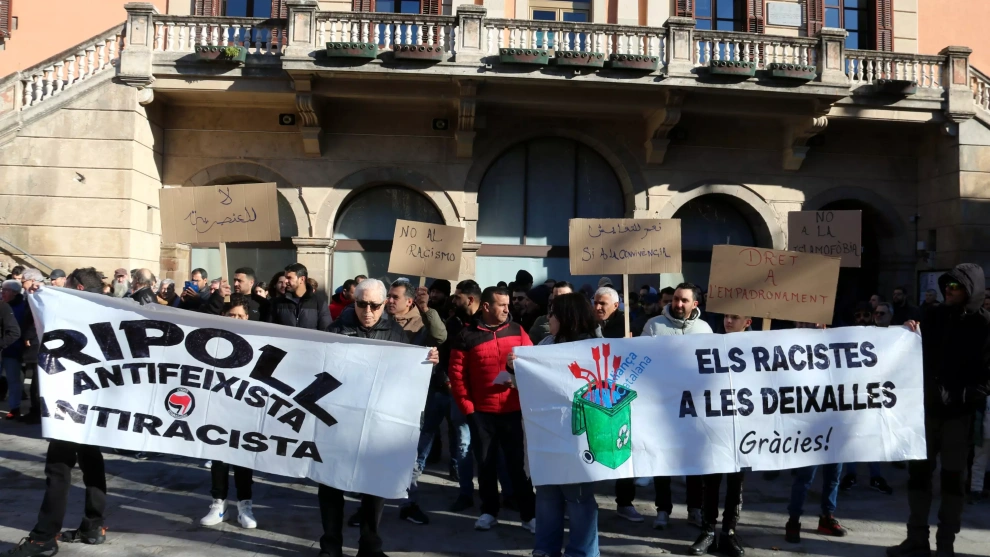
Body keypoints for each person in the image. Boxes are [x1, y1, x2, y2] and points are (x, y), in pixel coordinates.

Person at [319, 278, 438, 557]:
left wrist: (428, 362)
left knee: (375, 484)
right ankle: (331, 546)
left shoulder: (396, 334)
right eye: (362, 304)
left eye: (374, 305)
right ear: (354, 302)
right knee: (330, 484)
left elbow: (408, 376)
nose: (368, 311)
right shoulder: (335, 331)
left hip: (376, 426)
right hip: (337, 422)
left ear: (384, 304)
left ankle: (370, 546)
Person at [4, 268, 109, 557]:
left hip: (72, 402)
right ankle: (94, 525)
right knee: (91, 460)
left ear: (77, 287)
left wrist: (41, 295)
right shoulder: (108, 310)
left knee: (59, 467)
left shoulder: (74, 308)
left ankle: (44, 537)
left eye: (65, 284)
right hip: (97, 401)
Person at [889, 264, 990, 557]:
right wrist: (908, 331)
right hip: (925, 413)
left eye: (956, 286)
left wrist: (960, 395)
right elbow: (911, 350)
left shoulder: (985, 325)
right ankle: (916, 538)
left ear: (971, 289)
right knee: (918, 476)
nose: (949, 289)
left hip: (959, 416)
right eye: (947, 284)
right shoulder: (932, 316)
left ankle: (946, 544)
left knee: (953, 479)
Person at [448, 286, 536, 533]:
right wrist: (469, 409)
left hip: (513, 410)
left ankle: (529, 515)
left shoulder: (518, 331)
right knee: (485, 465)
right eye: (502, 305)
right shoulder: (466, 336)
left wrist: (517, 374)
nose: (508, 309)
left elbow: (534, 363)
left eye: (508, 304)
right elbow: (457, 376)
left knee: (518, 466)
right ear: (486, 306)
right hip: (481, 414)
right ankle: (488, 511)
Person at [531, 293, 601, 557]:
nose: (548, 318)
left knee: (578, 497)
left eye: (553, 314)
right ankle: (545, 550)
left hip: (579, 436)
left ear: (567, 317)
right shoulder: (546, 343)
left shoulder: (594, 349)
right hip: (546, 432)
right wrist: (514, 369)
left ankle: (582, 553)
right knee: (547, 495)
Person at [641, 283, 712, 530]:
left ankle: (695, 509)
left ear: (695, 304)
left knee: (694, 460)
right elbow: (642, 361)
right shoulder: (654, 326)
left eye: (684, 300)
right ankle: (663, 510)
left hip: (694, 407)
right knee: (662, 459)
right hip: (662, 405)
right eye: (675, 299)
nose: (678, 304)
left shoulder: (705, 330)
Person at [383, 279, 446, 524]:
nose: (389, 301)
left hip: (414, 401)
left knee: (411, 455)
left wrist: (426, 309)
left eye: (395, 297)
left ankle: (408, 503)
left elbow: (440, 335)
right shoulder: (379, 320)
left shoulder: (422, 324)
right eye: (388, 296)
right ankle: (368, 505)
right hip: (383, 397)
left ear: (409, 301)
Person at [689, 313, 751, 557]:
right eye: (726, 316)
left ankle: (729, 532)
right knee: (711, 482)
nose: (728, 321)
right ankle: (708, 531)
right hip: (715, 426)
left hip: (744, 430)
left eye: (735, 317)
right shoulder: (712, 344)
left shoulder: (759, 347)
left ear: (748, 322)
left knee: (736, 484)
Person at [198, 294, 258, 530]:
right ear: (223, 315)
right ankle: (218, 503)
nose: (235, 319)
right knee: (218, 455)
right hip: (219, 404)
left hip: (245, 406)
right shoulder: (213, 339)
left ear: (247, 317)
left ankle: (245, 505)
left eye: (240, 316)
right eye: (231, 315)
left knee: (243, 456)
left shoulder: (258, 339)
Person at [422, 280, 482, 514]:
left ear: (470, 299)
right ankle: (465, 492)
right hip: (448, 389)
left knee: (475, 445)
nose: (453, 300)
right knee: (457, 440)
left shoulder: (483, 326)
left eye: (458, 297)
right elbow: (443, 352)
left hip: (477, 395)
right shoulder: (452, 323)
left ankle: (493, 495)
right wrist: (445, 378)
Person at [785, 322, 847, 544]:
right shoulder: (794, 348)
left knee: (833, 476)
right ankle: (794, 520)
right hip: (809, 426)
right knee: (804, 477)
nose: (817, 325)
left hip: (834, 422)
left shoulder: (838, 346)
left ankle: (827, 517)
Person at [268, 264, 332, 330]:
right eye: (285, 278)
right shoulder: (277, 303)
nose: (286, 281)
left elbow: (325, 331)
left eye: (289, 278)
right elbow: (270, 329)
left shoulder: (319, 303)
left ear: (302, 279)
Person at [1, 280, 28, 420]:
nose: (2, 292)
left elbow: (19, 330)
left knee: (13, 380)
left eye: (6, 290)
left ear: (15, 292)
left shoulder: (22, 307)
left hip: (13, 348)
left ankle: (14, 408)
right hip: (3, 348)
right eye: (2, 289)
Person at [970, 396, 990, 504]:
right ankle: (976, 490)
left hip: (983, 435)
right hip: (983, 436)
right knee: (979, 463)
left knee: (979, 463)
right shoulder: (983, 398)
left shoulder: (983, 397)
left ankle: (976, 490)